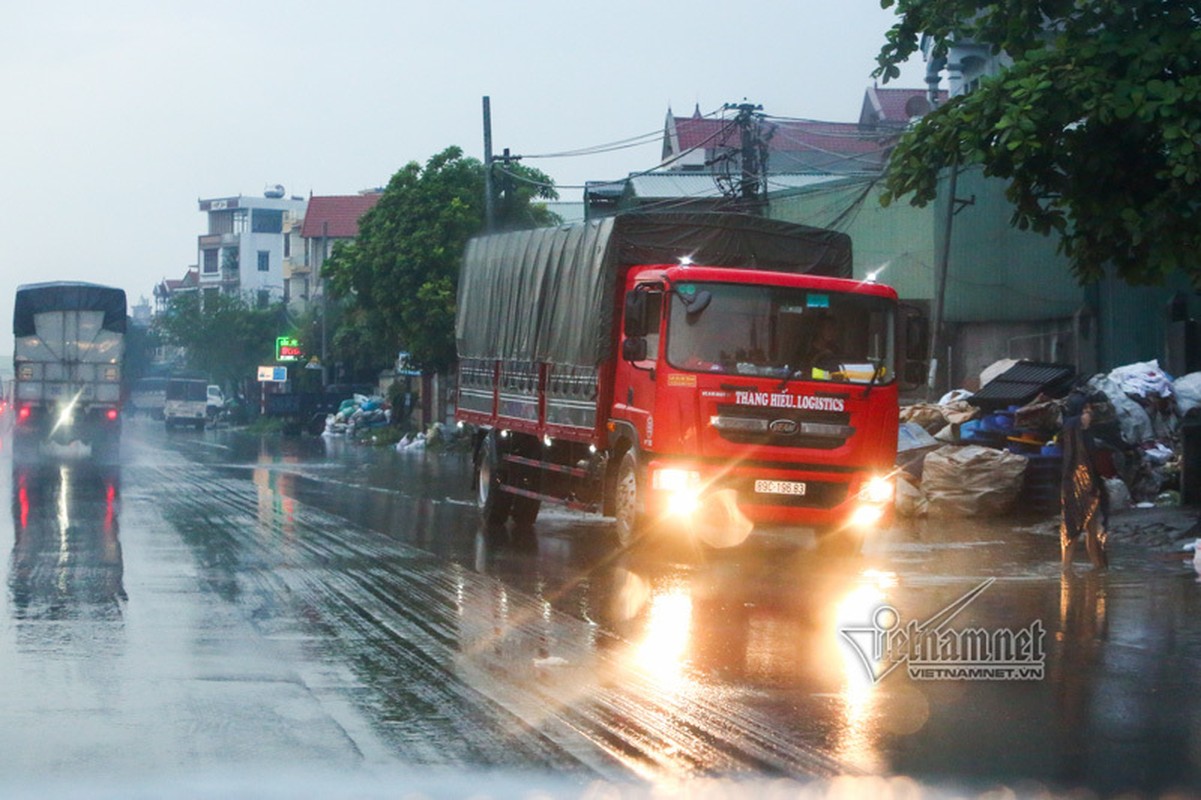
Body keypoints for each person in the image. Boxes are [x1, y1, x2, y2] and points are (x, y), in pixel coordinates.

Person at [1060, 391, 1110, 571]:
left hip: (1091, 485)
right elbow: (1076, 422)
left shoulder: (1085, 433)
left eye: (1089, 410)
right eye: (1085, 410)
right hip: (1074, 485)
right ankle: (1066, 569)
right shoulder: (1072, 427)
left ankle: (1099, 567)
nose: (1089, 414)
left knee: (1093, 529)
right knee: (1072, 528)